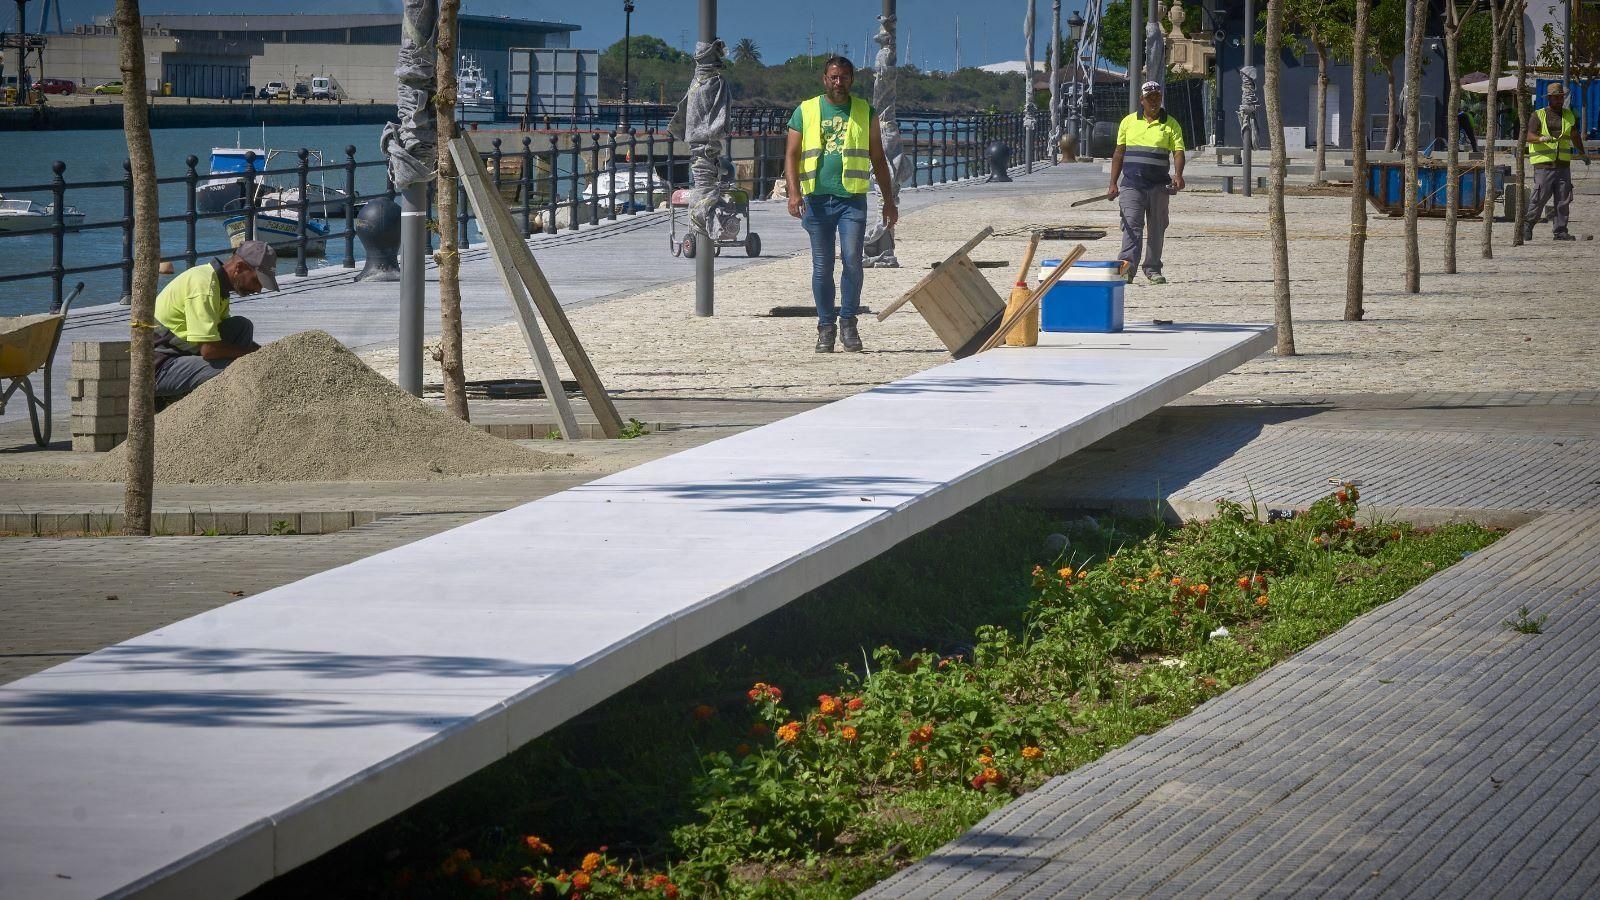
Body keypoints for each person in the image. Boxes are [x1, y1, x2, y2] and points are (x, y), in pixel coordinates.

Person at [784, 56, 898, 353]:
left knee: (852, 261)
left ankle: (848, 322)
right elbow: (792, 155)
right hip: (816, 200)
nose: (839, 82)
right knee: (822, 267)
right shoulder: (805, 111)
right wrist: (793, 193)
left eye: (844, 77)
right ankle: (825, 327)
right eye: (834, 77)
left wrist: (888, 201)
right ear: (825, 79)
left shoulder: (864, 111)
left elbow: (878, 159)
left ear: (851, 79)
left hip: (852, 201)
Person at [151, 240, 276, 398]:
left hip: (184, 354)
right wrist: (252, 354)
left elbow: (219, 335)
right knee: (238, 369)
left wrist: (266, 353)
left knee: (242, 326)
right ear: (239, 268)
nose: (258, 289)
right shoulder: (204, 288)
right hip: (160, 367)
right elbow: (209, 350)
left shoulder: (218, 284)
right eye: (256, 281)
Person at [1109, 81, 1186, 285]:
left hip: (1159, 186)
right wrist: (1113, 183)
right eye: (1150, 97)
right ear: (1141, 100)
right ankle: (1127, 269)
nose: (1154, 101)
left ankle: (1152, 268)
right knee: (1131, 226)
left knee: (1157, 228)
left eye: (1157, 97)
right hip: (1131, 185)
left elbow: (1178, 152)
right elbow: (1119, 153)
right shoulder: (1128, 122)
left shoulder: (1171, 124)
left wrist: (1178, 174)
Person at [1523, 82, 1590, 242]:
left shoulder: (1569, 115)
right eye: (1556, 98)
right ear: (1549, 99)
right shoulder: (1538, 115)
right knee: (1539, 198)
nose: (1559, 100)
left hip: (1563, 165)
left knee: (1563, 199)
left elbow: (1574, 136)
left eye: (1561, 97)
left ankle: (1560, 231)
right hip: (1544, 165)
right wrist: (1540, 138)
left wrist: (1582, 154)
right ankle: (1528, 225)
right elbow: (1529, 136)